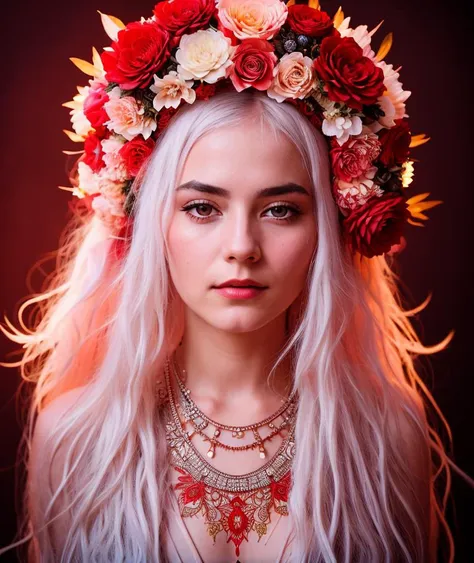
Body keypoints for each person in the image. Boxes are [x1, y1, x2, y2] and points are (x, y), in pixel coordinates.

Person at [1, 1, 473, 561]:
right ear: (154, 223)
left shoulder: (385, 438)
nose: (242, 248)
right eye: (203, 208)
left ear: (328, 224)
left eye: (280, 210)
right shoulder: (75, 440)